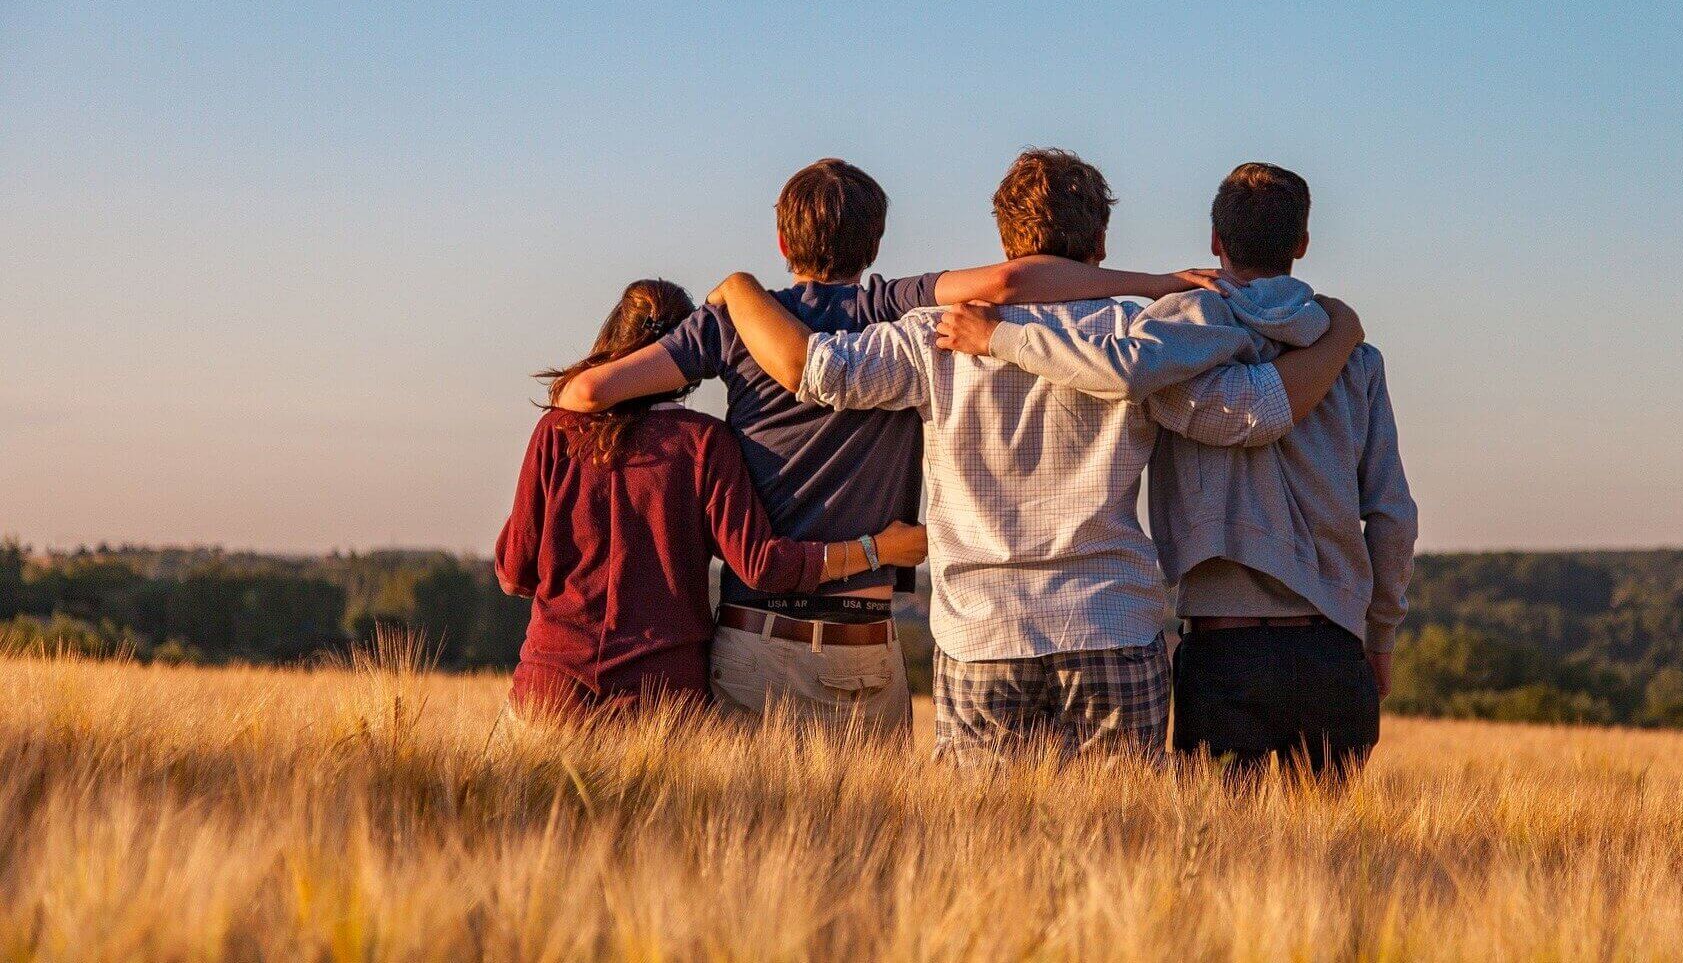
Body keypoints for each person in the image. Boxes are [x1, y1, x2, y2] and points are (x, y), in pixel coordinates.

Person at [709, 149, 1364, 765]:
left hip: (981, 632)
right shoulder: (1138, 336)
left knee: (983, 856)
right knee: (1119, 851)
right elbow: (1250, 413)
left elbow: (820, 372)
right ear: (1100, 246)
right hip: (1111, 623)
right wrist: (1339, 335)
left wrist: (739, 290)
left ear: (1004, 242)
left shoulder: (934, 334)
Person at [550, 158, 1220, 735]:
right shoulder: (892, 307)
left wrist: (726, 305)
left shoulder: (734, 322)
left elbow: (584, 396)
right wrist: (1154, 283)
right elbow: (1013, 283)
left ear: (783, 241)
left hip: (757, 635)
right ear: (875, 243)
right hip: (867, 642)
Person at [937, 162, 1417, 782]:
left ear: (1215, 241)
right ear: (1301, 244)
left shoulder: (1174, 334)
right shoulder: (1355, 358)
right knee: (1325, 865)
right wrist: (1379, 636)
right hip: (1333, 648)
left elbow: (1118, 368)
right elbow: (1391, 515)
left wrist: (1001, 337)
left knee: (1217, 859)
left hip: (1222, 650)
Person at [495, 278, 927, 725]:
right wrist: (877, 550)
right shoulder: (704, 444)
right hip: (662, 702)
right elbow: (761, 565)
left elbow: (515, 571)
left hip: (550, 691)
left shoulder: (557, 432)